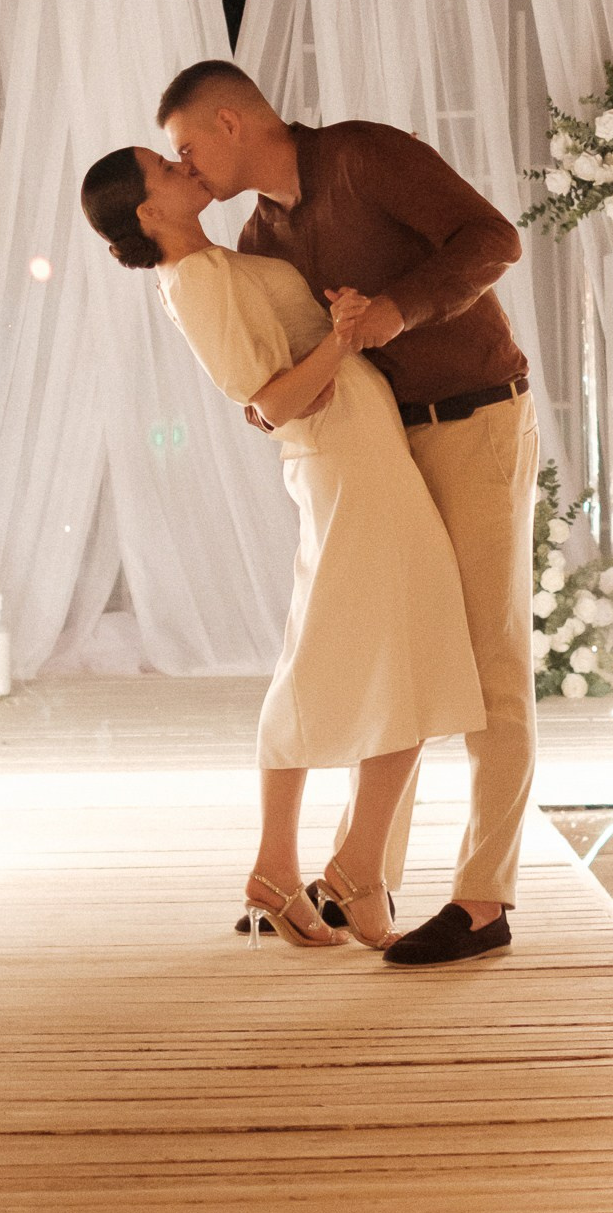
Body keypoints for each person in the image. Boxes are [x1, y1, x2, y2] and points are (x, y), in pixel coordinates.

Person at [157, 61, 538, 967]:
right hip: (382, 451)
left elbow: (493, 240)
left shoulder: (364, 156)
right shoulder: (262, 234)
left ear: (228, 119)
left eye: (185, 148)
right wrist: (266, 399)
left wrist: (398, 313)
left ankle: (482, 902)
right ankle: (365, 874)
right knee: (407, 651)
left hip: (474, 415)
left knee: (488, 659)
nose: (186, 167)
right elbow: (284, 352)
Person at [80, 142, 484, 950]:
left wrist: (335, 324)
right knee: (392, 649)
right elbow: (270, 400)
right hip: (345, 459)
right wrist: (341, 337)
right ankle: (344, 868)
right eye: (165, 167)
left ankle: (309, 865)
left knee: (396, 650)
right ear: (148, 212)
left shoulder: (218, 263)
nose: (183, 165)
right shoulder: (192, 281)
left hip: (362, 450)